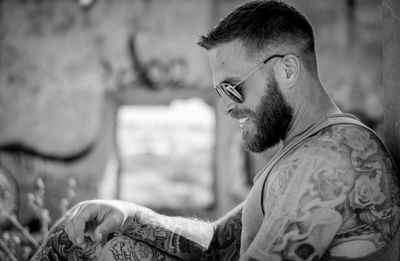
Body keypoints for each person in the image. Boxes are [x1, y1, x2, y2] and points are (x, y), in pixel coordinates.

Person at [31, 1, 400, 260]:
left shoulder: (327, 160)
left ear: (287, 70)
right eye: (218, 92)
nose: (226, 106)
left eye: (233, 87)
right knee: (84, 236)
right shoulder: (301, 152)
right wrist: (128, 213)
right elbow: (216, 244)